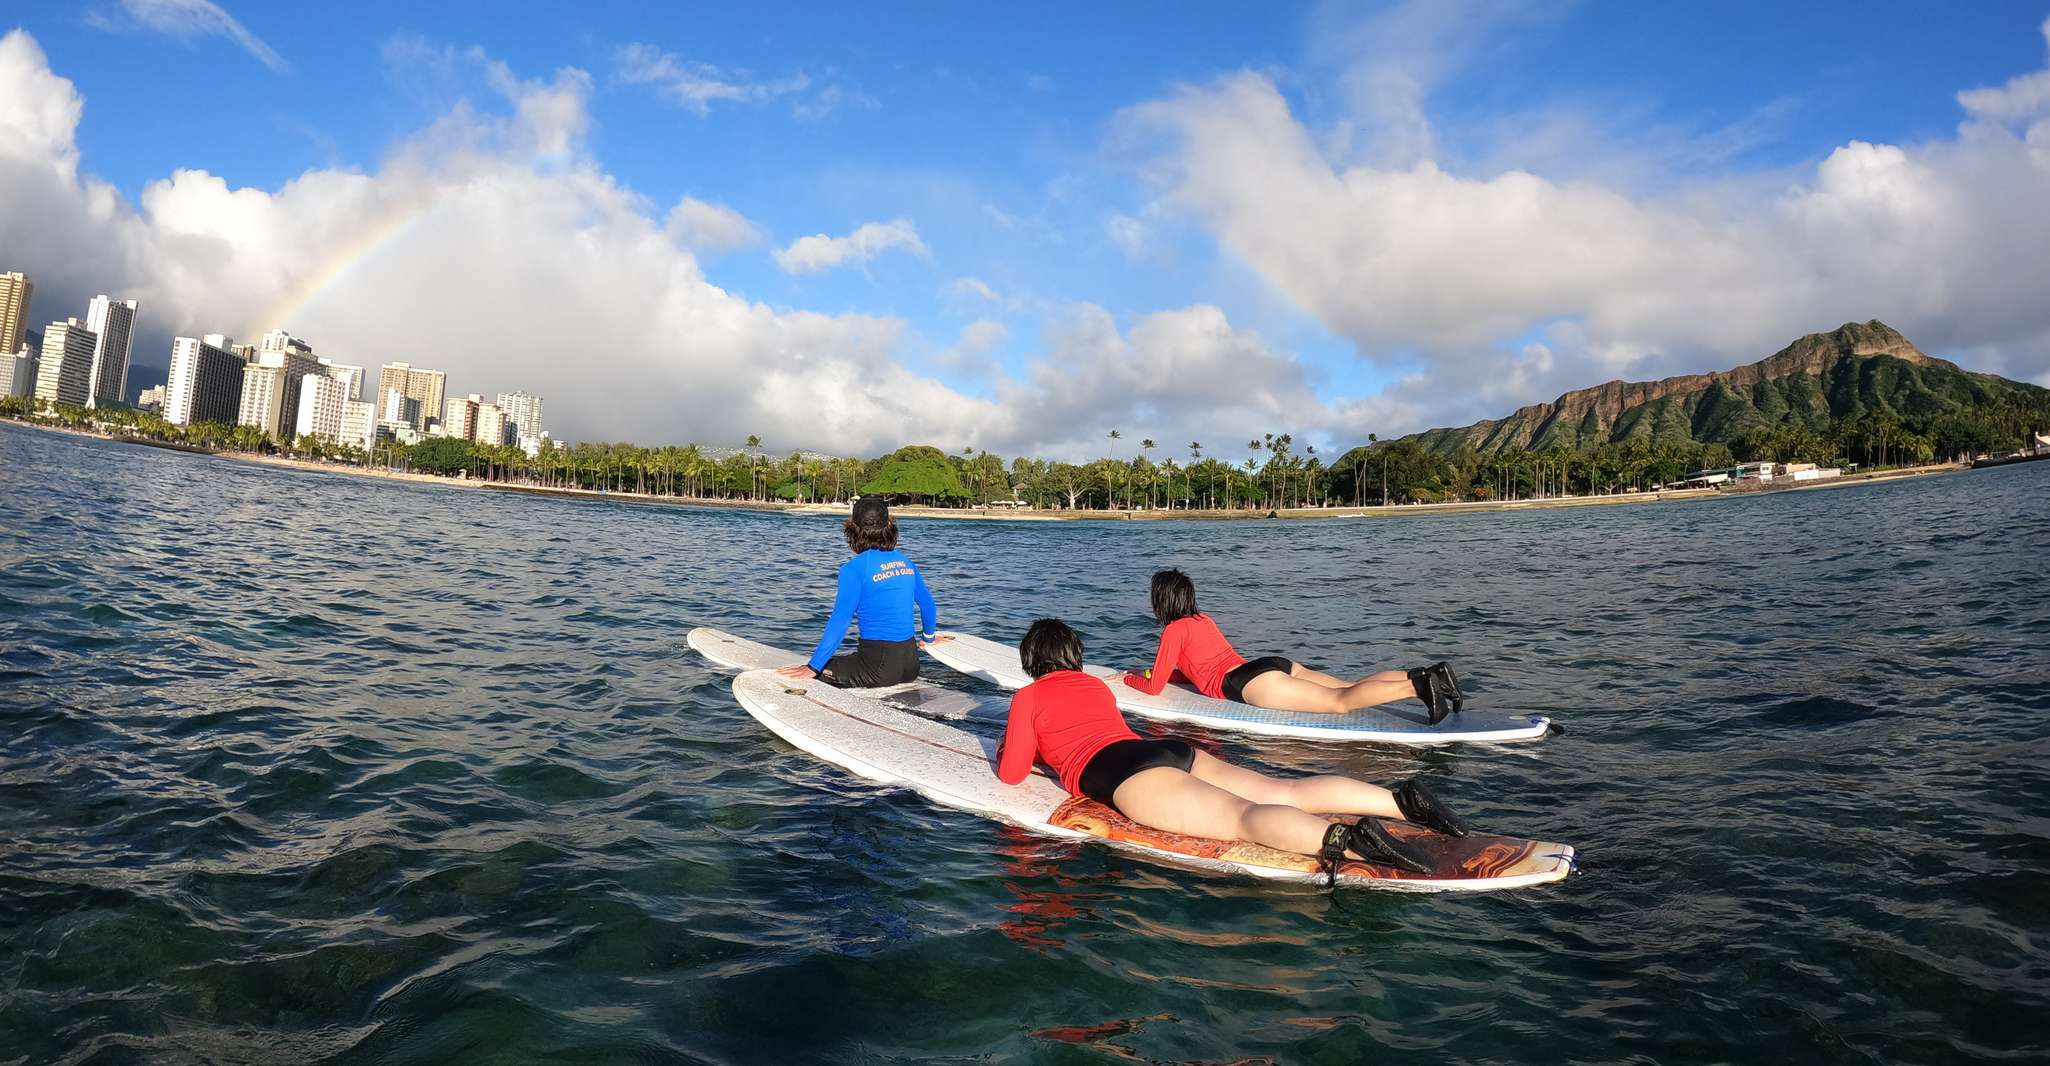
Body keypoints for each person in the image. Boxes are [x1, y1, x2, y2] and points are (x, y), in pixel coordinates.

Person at [996, 619, 1469, 876]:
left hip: (1126, 775)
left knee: (1241, 819)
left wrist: (1011, 747)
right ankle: (1400, 802)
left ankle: (1351, 843)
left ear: (1031, 660)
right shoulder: (1095, 687)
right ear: (1074, 655)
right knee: (1285, 790)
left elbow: (1014, 774)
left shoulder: (1028, 696)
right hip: (1168, 750)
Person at [1123, 569, 1465, 723]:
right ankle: (1430, 673)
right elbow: (1193, 670)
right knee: (1351, 687)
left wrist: (1129, 678)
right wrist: (1175, 678)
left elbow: (1153, 687)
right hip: (1268, 665)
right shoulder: (1203, 620)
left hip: (1246, 684)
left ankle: (1419, 686)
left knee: (1339, 702)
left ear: (1162, 601)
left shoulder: (1173, 630)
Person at [777, 497, 938, 687]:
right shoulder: (905, 562)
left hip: (878, 671)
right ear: (889, 525)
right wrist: (928, 638)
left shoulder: (853, 569)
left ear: (853, 528)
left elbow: (840, 620)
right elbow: (928, 605)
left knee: (821, 671)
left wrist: (813, 667)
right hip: (912, 666)